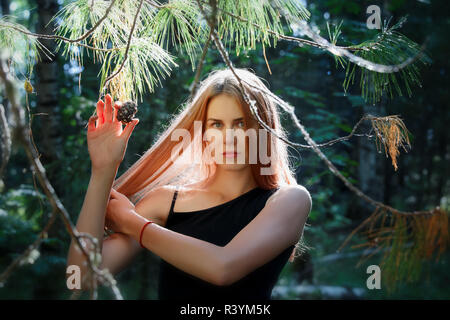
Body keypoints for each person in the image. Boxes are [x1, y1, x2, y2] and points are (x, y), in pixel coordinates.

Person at [66, 68, 312, 300]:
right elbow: (79, 278)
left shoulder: (289, 201)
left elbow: (223, 267)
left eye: (241, 123)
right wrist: (103, 170)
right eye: (217, 124)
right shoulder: (166, 201)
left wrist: (133, 223)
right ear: (203, 133)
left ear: (263, 127)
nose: (229, 138)